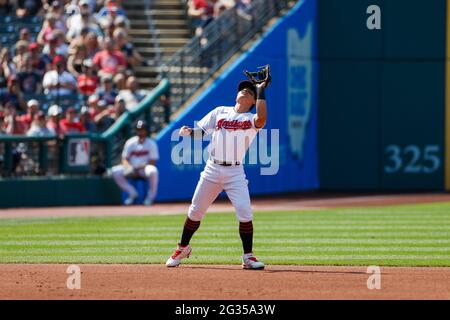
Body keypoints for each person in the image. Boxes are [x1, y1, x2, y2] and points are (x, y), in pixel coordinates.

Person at [165, 77, 269, 269]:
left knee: (245, 213)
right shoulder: (220, 112)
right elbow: (202, 132)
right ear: (236, 95)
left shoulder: (251, 119)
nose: (245, 91)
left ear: (254, 101)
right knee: (195, 211)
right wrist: (190, 132)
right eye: (242, 89)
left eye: (249, 91)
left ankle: (248, 256)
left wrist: (261, 89)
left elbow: (262, 118)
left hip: (235, 172)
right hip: (212, 168)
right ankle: (183, 248)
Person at [111, 120, 159, 206]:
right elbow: (124, 159)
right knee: (115, 171)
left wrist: (140, 167)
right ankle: (132, 193)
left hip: (144, 169)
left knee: (153, 171)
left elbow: (152, 162)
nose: (140, 131)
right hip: (131, 169)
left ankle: (150, 198)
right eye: (138, 129)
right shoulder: (130, 142)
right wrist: (130, 168)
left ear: (146, 130)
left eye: (142, 129)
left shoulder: (151, 143)